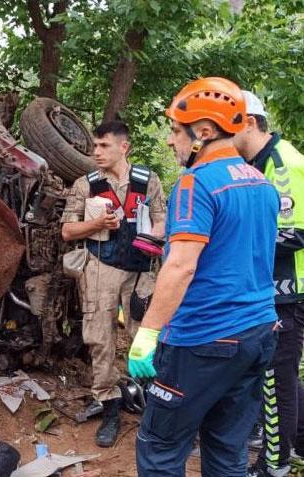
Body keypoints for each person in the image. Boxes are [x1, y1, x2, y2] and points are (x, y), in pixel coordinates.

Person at [128, 77, 279, 475]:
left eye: (176, 131)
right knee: (227, 450)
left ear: (205, 132)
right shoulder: (261, 183)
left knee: (159, 447)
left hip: (203, 339)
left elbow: (181, 265)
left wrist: (147, 333)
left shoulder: (196, 184)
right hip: (256, 334)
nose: (169, 141)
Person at [61, 120, 166, 447]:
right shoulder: (86, 185)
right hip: (100, 268)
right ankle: (109, 406)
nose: (96, 152)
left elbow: (163, 219)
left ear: (124, 147)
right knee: (100, 339)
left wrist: (153, 236)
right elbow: (67, 231)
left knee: (144, 337)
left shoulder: (148, 181)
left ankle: (152, 406)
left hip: (141, 271)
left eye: (104, 145)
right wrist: (97, 223)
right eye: (94, 146)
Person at [233, 91, 304, 477]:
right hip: (271, 289)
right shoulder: (256, 163)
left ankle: (274, 466)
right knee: (279, 375)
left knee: (277, 378)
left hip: (289, 290)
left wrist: (231, 241)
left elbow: (294, 234)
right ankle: (297, 441)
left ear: (248, 122)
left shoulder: (280, 163)